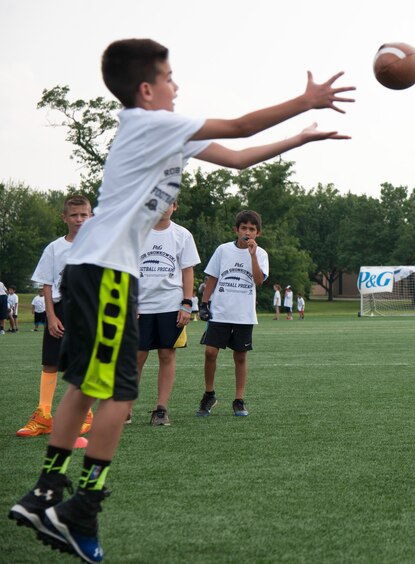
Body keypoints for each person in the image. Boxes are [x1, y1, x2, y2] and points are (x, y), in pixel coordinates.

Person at [9, 38, 354, 563]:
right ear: (146, 90)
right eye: (169, 77)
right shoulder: (150, 123)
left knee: (85, 386)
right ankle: (79, 510)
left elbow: (237, 158)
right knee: (120, 394)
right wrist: (303, 102)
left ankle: (46, 494)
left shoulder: (160, 133)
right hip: (106, 274)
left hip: (92, 271)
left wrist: (297, 141)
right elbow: (238, 128)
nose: (177, 85)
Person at [15, 195, 95, 438]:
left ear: (91, 216)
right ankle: (43, 415)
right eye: (74, 215)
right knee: (50, 361)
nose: (79, 219)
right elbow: (47, 284)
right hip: (61, 311)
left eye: (83, 214)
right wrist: (50, 316)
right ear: (64, 217)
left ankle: (84, 414)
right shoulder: (54, 247)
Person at [197, 210, 269, 418]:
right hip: (220, 311)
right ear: (236, 229)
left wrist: (253, 255)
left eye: (252, 229)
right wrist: (204, 303)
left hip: (243, 314)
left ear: (258, 233)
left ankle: (239, 399)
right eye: (244, 228)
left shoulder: (261, 254)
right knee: (210, 352)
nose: (247, 232)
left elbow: (258, 280)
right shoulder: (223, 250)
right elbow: (212, 278)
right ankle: (209, 394)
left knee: (240, 356)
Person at [135, 201, 199, 426]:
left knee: (166, 354)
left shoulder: (182, 235)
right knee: (137, 356)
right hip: (141, 306)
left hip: (171, 305)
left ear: (175, 206)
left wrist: (186, 303)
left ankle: (160, 409)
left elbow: (187, 271)